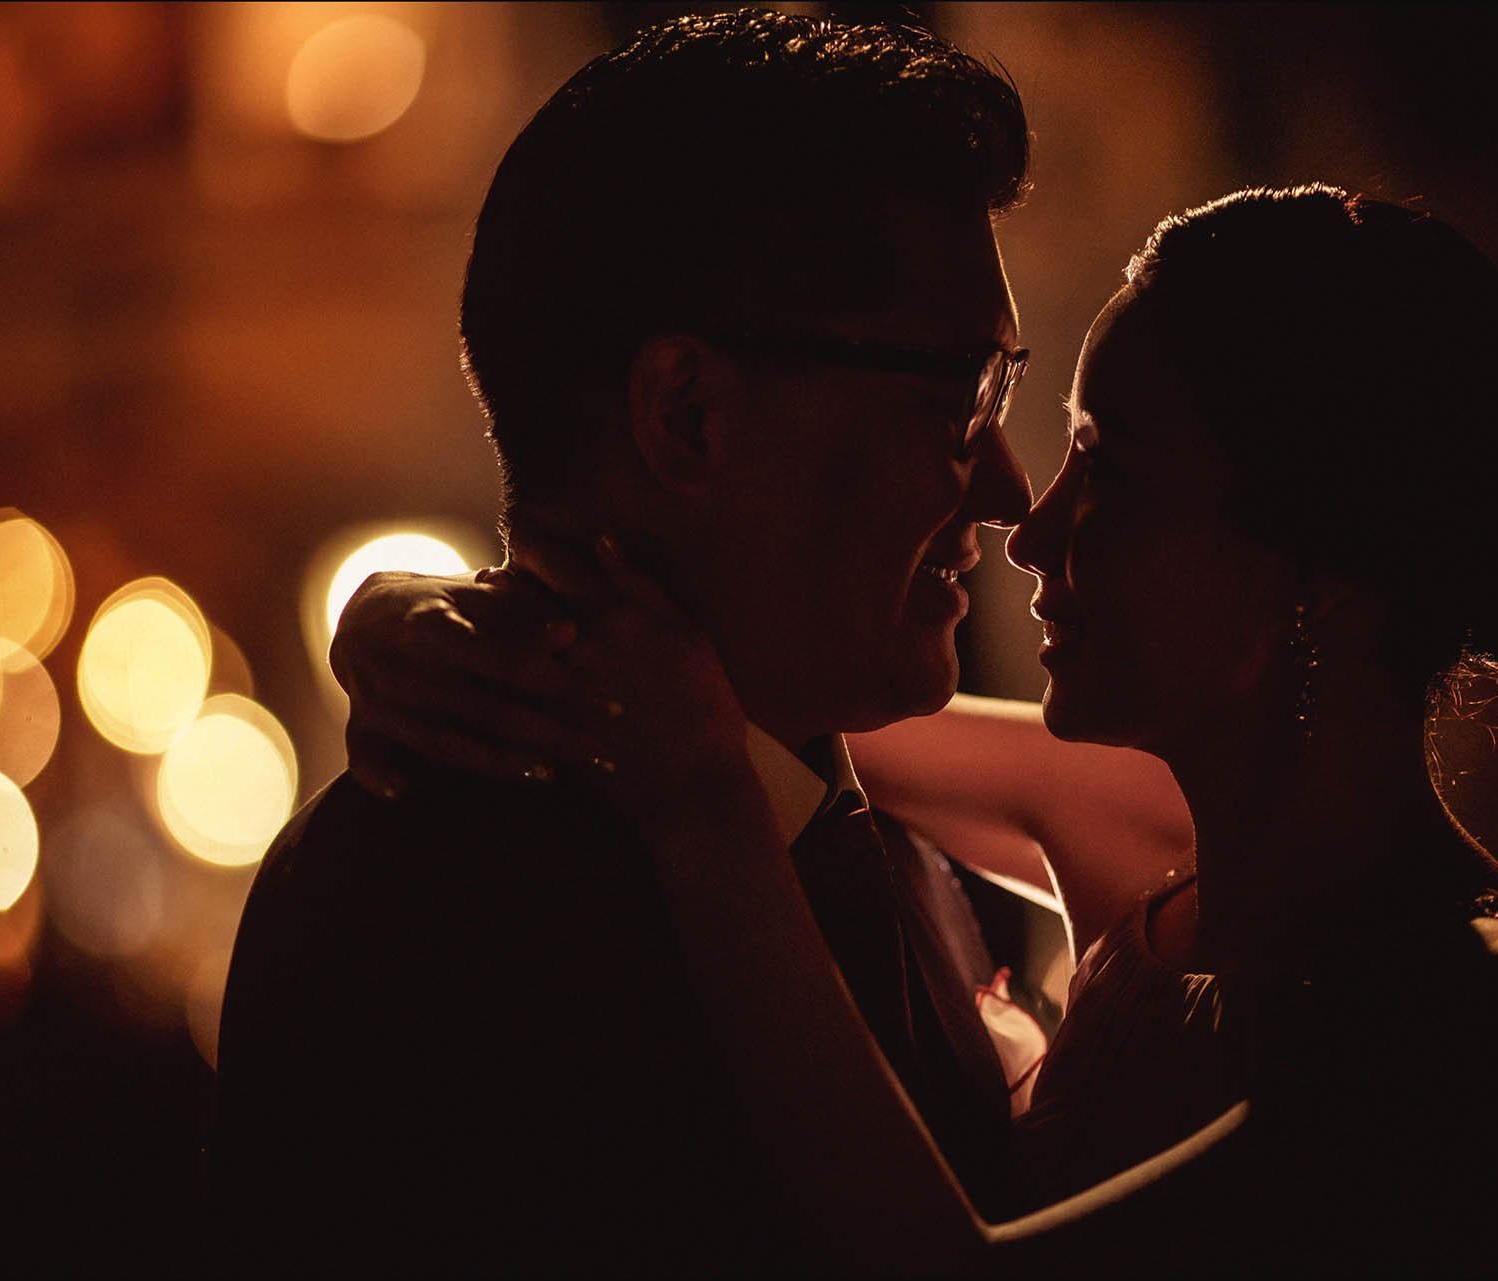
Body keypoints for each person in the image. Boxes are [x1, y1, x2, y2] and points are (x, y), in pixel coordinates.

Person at [331, 185, 1498, 1278]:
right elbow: (727, 691)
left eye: (1112, 469)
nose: (1036, 524)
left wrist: (705, 824)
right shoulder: (1144, 844)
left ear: (1315, 572)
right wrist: (411, 614)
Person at [208, 12, 1190, 1278]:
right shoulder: (434, 908)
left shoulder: (850, 841)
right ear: (689, 417)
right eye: (960, 400)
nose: (1010, 492)